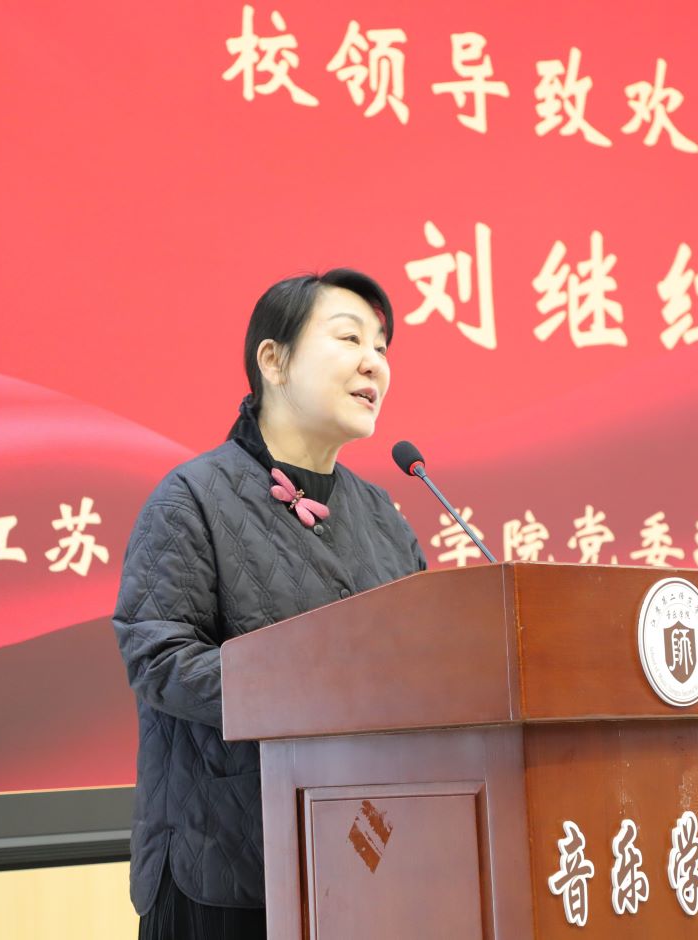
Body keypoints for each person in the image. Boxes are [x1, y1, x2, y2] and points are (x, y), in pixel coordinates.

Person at [113, 269, 428, 939]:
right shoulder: (191, 499)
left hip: (364, 862)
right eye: (349, 338)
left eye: (381, 347)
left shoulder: (383, 517)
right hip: (225, 869)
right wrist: (317, 688)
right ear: (273, 360)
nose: (374, 362)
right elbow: (159, 660)